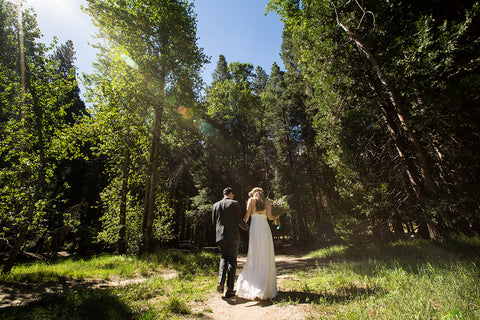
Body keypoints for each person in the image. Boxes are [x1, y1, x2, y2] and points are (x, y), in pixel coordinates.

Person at [236, 187, 278, 300]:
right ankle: (265, 287)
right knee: (265, 254)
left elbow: (247, 215)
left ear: (253, 194)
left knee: (255, 254)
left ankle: (255, 285)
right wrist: (276, 217)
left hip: (255, 229)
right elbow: (270, 217)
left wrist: (241, 223)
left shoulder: (251, 201)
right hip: (265, 228)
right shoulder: (268, 202)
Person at [212, 187, 244, 298]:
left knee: (224, 258)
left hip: (220, 236)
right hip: (233, 236)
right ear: (231, 194)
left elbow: (214, 222)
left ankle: (220, 283)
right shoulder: (234, 203)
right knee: (232, 261)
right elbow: (239, 220)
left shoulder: (215, 205)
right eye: (233, 195)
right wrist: (247, 227)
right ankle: (229, 290)